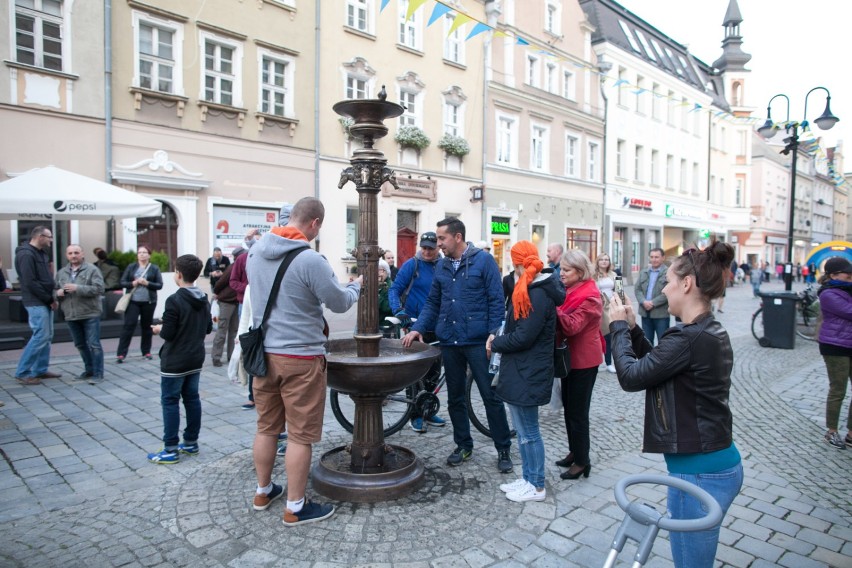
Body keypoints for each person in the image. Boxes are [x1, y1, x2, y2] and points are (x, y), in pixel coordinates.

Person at [609, 241, 743, 568]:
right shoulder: (702, 331)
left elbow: (631, 377)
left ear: (687, 284)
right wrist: (632, 328)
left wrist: (615, 327)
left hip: (699, 472)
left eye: (669, 281)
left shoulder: (689, 337)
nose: (665, 289)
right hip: (713, 463)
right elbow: (657, 363)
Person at [247, 197, 361, 526]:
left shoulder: (255, 251)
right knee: (300, 435)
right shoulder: (310, 259)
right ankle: (295, 507)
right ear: (314, 223)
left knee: (267, 428)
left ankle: (263, 490)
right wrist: (355, 287)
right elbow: (338, 303)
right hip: (300, 358)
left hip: (263, 356)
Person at [402, 217, 514, 473]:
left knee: (490, 396)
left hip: (477, 342)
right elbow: (433, 302)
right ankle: (463, 444)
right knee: (455, 398)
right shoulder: (441, 266)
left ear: (458, 237)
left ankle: (503, 447)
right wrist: (418, 328)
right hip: (450, 341)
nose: (438, 243)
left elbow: (497, 301)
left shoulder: (483, 261)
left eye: (442, 238)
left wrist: (494, 333)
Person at [490, 241, 563, 502]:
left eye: (513, 263)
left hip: (530, 369)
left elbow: (523, 337)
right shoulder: (529, 288)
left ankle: (537, 486)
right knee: (522, 431)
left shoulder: (538, 293)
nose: (512, 268)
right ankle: (528, 478)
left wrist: (495, 342)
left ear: (520, 264)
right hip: (522, 368)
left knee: (530, 432)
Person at [147, 255, 213, 464]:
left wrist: (158, 329)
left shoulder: (174, 300)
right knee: (192, 399)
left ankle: (170, 448)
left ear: (178, 274)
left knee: (170, 401)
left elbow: (168, 333)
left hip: (175, 359)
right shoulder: (203, 298)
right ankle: (191, 442)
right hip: (195, 357)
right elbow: (208, 328)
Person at [388, 231, 446, 433]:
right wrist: (398, 311)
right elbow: (394, 289)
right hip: (414, 324)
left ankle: (427, 409)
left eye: (431, 248)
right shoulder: (412, 265)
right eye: (424, 247)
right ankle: (414, 414)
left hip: (438, 325)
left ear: (438, 247)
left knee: (434, 372)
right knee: (415, 372)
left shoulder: (443, 265)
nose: (427, 251)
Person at [555, 249, 603, 481]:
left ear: (580, 272)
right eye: (561, 269)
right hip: (570, 359)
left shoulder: (590, 295)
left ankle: (583, 461)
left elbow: (573, 326)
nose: (561, 273)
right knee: (569, 409)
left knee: (578, 412)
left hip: (584, 360)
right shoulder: (570, 289)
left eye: (566, 270)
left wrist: (552, 308)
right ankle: (575, 451)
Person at [14, 226, 61, 385]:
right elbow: (30, 282)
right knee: (40, 335)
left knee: (47, 336)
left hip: (44, 300)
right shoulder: (26, 254)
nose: (51, 240)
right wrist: (49, 299)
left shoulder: (40, 253)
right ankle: (23, 372)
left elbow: (44, 277)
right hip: (35, 301)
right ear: (40, 237)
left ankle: (40, 369)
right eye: (49, 237)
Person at [816, 257, 852, 450]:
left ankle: (851, 433)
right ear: (833, 275)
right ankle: (831, 431)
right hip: (835, 345)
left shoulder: (848, 289)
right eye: (847, 272)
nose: (850, 275)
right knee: (838, 389)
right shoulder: (828, 294)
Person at [56, 245, 105, 384]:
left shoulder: (92, 270)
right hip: (71, 314)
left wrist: (78, 288)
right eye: (70, 253)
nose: (73, 255)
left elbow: (99, 289)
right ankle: (89, 370)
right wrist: (58, 293)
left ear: (82, 254)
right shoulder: (61, 273)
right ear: (66, 255)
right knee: (80, 344)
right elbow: (55, 291)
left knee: (94, 344)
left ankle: (98, 373)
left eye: (76, 252)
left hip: (90, 313)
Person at [116, 245, 163, 363]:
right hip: (133, 301)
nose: (141, 254)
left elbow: (159, 285)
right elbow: (122, 282)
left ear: (149, 255)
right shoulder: (131, 267)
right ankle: (121, 353)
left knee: (147, 327)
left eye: (144, 252)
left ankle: (146, 351)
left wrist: (147, 283)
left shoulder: (154, 268)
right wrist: (133, 283)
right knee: (129, 325)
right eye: (139, 252)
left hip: (149, 301)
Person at [634, 248, 669, 345]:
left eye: (656, 257)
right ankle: (649, 360)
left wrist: (652, 303)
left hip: (661, 314)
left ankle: (662, 360)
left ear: (663, 258)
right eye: (652, 257)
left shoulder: (669, 273)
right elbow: (637, 289)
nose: (654, 259)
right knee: (647, 342)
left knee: (663, 342)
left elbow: (668, 292)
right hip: (645, 312)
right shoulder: (644, 272)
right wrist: (643, 301)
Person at [211, 251, 240, 367]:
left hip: (236, 301)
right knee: (222, 329)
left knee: (234, 330)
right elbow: (221, 282)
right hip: (226, 301)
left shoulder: (243, 267)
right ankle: (216, 357)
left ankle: (231, 356)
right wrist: (217, 293)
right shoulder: (233, 268)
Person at [594, 253, 617, 373]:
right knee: (597, 336)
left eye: (607, 259)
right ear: (597, 262)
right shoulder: (593, 276)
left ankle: (609, 362)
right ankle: (596, 362)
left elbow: (620, 290)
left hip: (611, 307)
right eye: (602, 259)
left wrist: (620, 304)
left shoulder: (614, 274)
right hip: (598, 308)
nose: (604, 261)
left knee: (609, 336)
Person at [230, 228, 261, 317]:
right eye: (254, 240)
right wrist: (248, 289)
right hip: (244, 302)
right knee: (244, 330)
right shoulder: (242, 258)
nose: (256, 244)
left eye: (258, 241)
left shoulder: (266, 259)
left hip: (261, 303)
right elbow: (233, 281)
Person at [377, 258, 393, 323]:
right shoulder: (375, 284)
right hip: (376, 323)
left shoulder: (390, 286)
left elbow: (387, 308)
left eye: (381, 270)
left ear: (387, 271)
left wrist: (378, 296)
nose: (378, 273)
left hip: (386, 325)